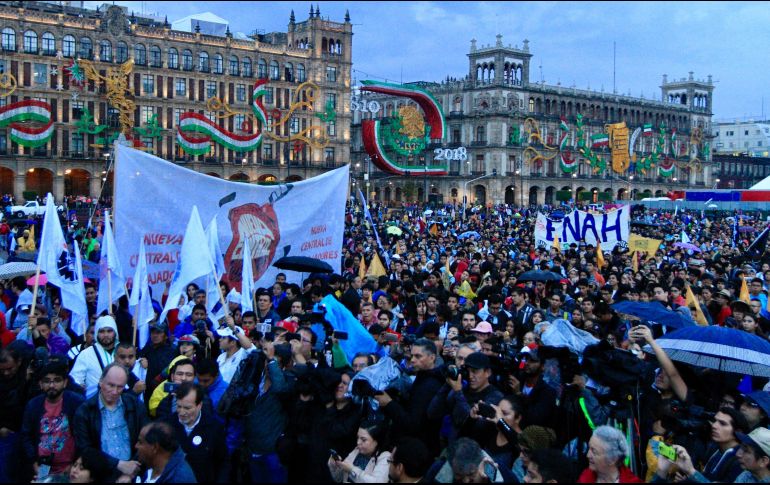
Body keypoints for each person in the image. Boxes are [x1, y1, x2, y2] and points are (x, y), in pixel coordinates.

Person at [72, 363, 148, 482]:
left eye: (120, 387)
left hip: (132, 473)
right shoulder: (85, 411)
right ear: (101, 381)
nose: (115, 391)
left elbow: (146, 441)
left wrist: (131, 473)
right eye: (111, 385)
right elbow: (85, 449)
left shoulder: (135, 406)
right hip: (99, 476)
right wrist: (118, 464)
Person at [375, 338, 444, 455]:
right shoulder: (422, 377)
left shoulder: (431, 385)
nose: (412, 360)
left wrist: (389, 403)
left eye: (418, 356)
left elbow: (413, 424)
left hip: (417, 449)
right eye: (412, 356)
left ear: (432, 358)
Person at [20, 359, 84, 481]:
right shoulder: (33, 405)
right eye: (47, 381)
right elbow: (26, 435)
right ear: (40, 384)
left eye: (57, 380)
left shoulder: (76, 403)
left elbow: (83, 435)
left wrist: (76, 464)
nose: (52, 385)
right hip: (43, 465)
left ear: (65, 383)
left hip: (69, 465)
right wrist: (34, 462)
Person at [166, 381, 228, 483]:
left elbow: (223, 462)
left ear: (199, 405)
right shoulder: (167, 425)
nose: (181, 412)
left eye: (187, 408)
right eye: (179, 406)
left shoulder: (214, 427)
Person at [69, 315, 120, 398]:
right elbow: (75, 379)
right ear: (97, 333)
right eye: (102, 331)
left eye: (109, 331)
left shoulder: (122, 351)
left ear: (115, 332)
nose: (106, 335)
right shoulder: (85, 354)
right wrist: (79, 387)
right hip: (93, 403)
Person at [507, 348, 559, 429]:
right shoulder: (518, 379)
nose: (527, 363)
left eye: (532, 361)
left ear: (543, 366)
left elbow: (535, 418)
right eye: (526, 359)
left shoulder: (548, 392)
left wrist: (519, 395)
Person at [133, 421, 198, 483]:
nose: (136, 446)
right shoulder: (147, 465)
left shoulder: (179, 479)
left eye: (140, 442)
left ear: (155, 447)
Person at [577, 425, 642, 483]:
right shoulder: (585, 478)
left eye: (594, 452)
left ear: (612, 459)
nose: (588, 455)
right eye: (589, 448)